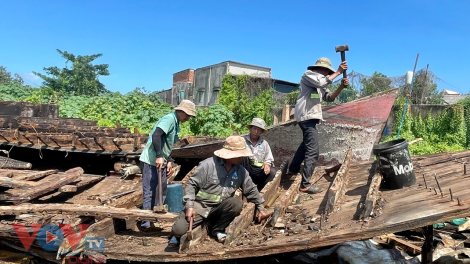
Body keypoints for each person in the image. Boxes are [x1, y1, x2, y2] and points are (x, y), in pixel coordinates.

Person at [168, 135, 270, 247]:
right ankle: (179, 235)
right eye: (238, 155)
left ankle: (217, 229)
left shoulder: (240, 171)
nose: (241, 158)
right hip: (200, 206)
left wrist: (260, 208)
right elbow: (191, 185)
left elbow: (251, 190)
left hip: (220, 207)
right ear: (228, 155)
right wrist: (190, 206)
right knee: (178, 230)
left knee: (236, 204)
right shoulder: (208, 165)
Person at [288, 57, 349, 194]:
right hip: (306, 116)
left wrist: (341, 87)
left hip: (310, 117)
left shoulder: (321, 84)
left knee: (306, 144)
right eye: (327, 71)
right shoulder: (309, 75)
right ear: (321, 68)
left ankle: (293, 168)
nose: (327, 74)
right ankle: (305, 185)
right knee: (313, 150)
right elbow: (322, 82)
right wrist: (339, 72)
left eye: (329, 72)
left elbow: (329, 98)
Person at [139, 100, 196, 229]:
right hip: (151, 160)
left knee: (162, 189)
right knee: (150, 190)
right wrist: (159, 156)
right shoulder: (169, 119)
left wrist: (169, 159)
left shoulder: (176, 124)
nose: (188, 118)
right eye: (187, 115)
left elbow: (167, 144)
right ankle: (145, 222)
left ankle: (156, 216)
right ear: (181, 112)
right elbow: (156, 135)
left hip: (162, 161)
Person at [241, 117, 276, 191]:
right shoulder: (242, 140)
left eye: (259, 130)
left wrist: (267, 165)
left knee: (272, 172)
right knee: (244, 158)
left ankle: (258, 190)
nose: (256, 132)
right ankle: (243, 187)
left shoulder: (264, 143)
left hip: (258, 170)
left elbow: (268, 158)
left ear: (262, 132)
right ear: (250, 128)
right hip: (245, 169)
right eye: (254, 128)